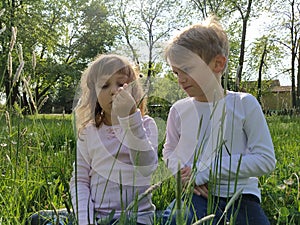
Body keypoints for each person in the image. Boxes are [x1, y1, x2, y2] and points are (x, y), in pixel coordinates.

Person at [161, 16, 276, 225]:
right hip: (195, 195)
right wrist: (184, 174)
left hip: (241, 197)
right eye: (176, 72)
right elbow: (169, 151)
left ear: (218, 63)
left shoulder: (244, 104)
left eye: (187, 69)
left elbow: (266, 159)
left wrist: (206, 170)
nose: (181, 79)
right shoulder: (179, 110)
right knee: (178, 220)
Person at [69, 54, 158, 225]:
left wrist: (130, 119)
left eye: (121, 84)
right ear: (94, 94)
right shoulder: (89, 132)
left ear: (133, 90)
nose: (113, 90)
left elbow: (146, 168)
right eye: (104, 85)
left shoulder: (145, 125)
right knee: (37, 219)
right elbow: (80, 180)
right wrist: (84, 220)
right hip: (96, 216)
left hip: (136, 218)